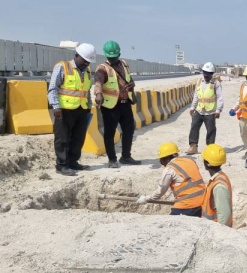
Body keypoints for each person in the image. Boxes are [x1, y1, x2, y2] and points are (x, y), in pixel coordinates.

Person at [47, 43, 96, 176]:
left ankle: (73, 162)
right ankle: (62, 165)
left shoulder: (87, 71)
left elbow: (86, 91)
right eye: (85, 61)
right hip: (64, 109)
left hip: (81, 109)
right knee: (62, 138)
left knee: (78, 137)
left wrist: (88, 107)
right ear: (76, 56)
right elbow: (53, 88)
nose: (86, 64)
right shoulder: (62, 67)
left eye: (88, 62)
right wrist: (55, 106)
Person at [94, 40, 141, 168]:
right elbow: (98, 81)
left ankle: (126, 156)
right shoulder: (102, 68)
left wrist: (132, 84)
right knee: (110, 133)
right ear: (106, 55)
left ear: (119, 55)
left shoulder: (124, 64)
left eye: (115, 57)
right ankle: (112, 159)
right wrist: (98, 94)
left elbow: (129, 78)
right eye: (110, 57)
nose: (113, 59)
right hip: (110, 106)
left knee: (129, 130)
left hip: (125, 104)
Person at [137, 142, 206, 217]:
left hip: (187, 205)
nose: (160, 162)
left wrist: (146, 199)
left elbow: (160, 191)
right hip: (203, 201)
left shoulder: (169, 169)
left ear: (166, 158)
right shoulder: (190, 161)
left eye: (161, 159)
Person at [185, 62, 224, 155]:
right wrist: (192, 107)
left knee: (211, 130)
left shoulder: (216, 83)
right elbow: (196, 95)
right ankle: (193, 146)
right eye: (205, 72)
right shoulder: (199, 82)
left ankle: (210, 148)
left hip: (210, 112)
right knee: (194, 127)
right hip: (199, 110)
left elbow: (220, 98)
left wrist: (218, 110)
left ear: (212, 74)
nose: (206, 75)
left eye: (208, 73)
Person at [201, 143, 233, 226]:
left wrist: (219, 234)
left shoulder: (219, 186)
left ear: (207, 163)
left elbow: (224, 215)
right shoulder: (220, 177)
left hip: (215, 230)